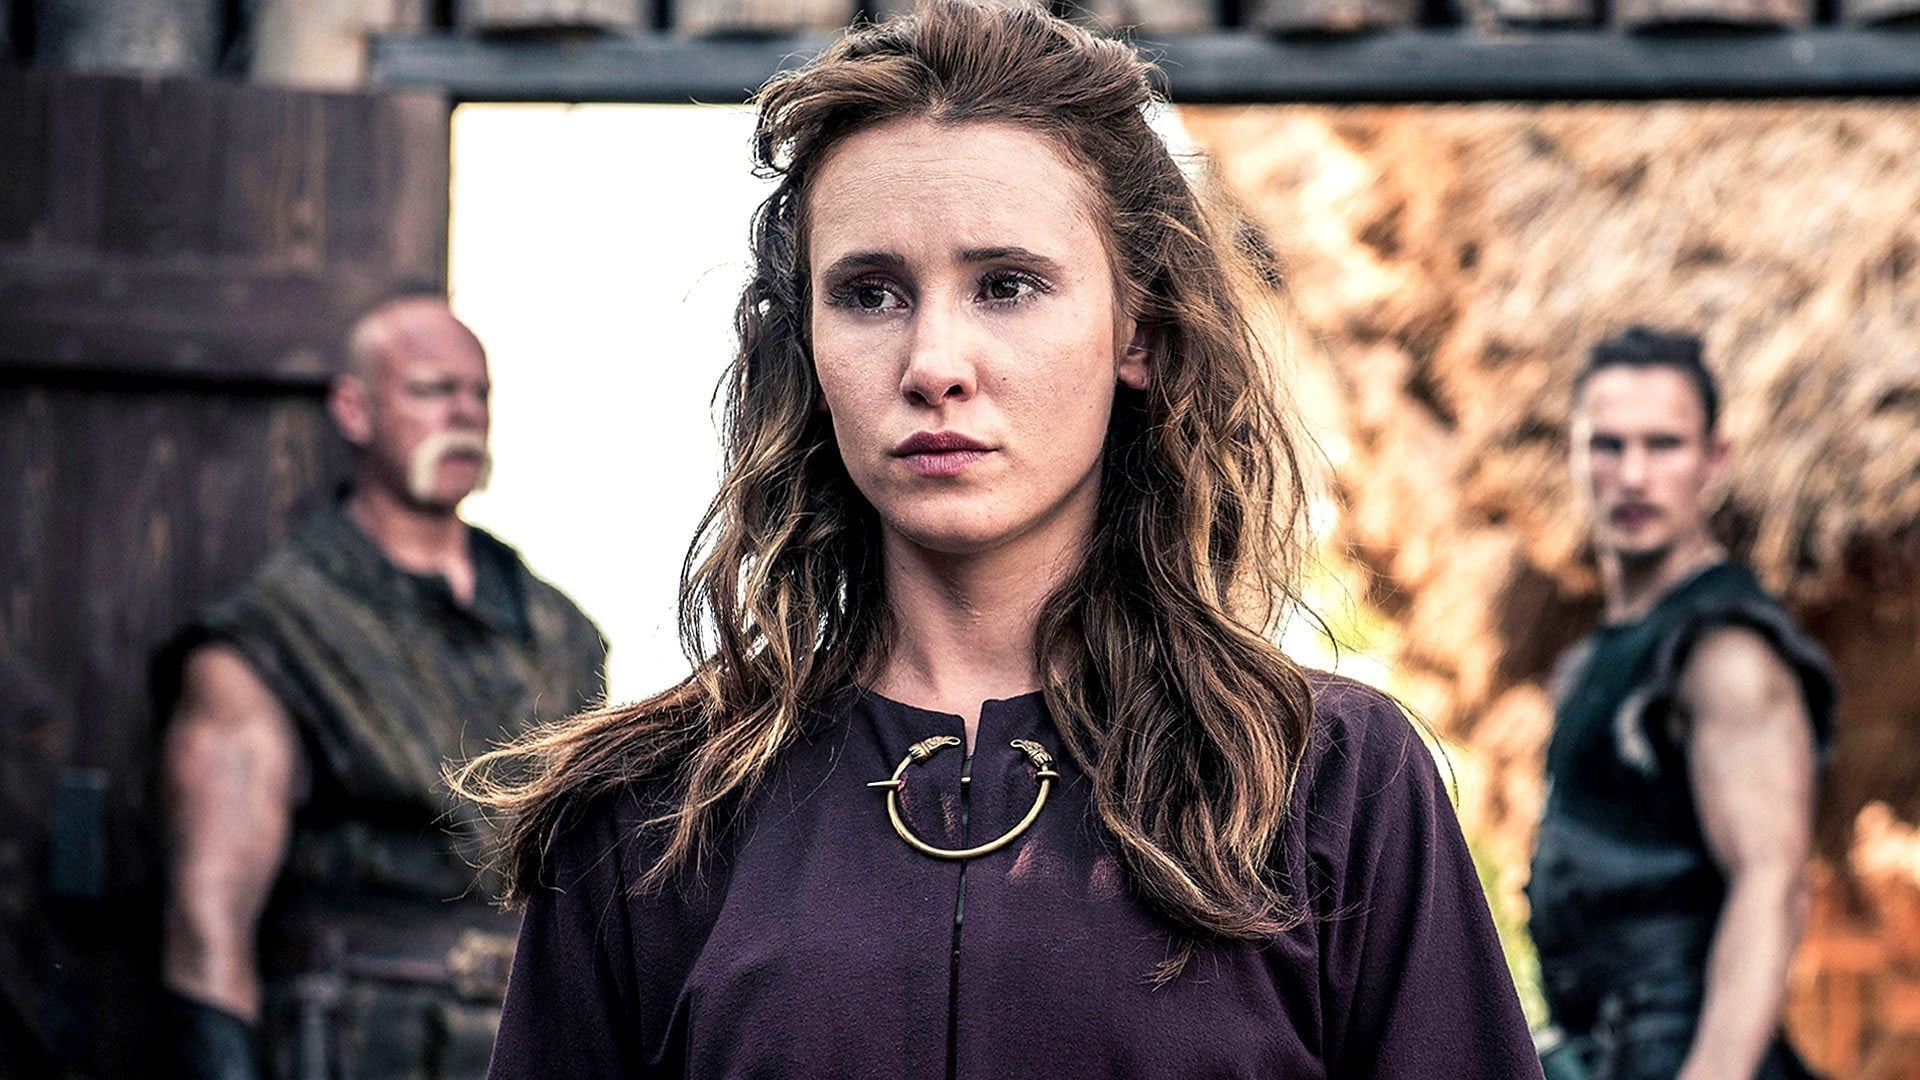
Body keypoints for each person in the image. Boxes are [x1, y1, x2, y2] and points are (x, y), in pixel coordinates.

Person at [458, 3, 1540, 1076]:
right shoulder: (652, 816)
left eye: (1007, 286)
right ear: (808, 344)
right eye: (870, 294)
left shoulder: (1325, 783)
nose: (935, 363)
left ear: (1139, 333)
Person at [157, 293, 607, 1080]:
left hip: (532, 1042)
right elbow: (208, 927)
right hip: (357, 1042)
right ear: (355, 410)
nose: (464, 414)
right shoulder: (275, 633)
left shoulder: (560, 631)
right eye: (432, 391)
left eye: (478, 393)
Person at [1528, 328, 1837, 1080]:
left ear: (1713, 459)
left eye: (1663, 445)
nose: (1633, 475)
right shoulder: (1598, 657)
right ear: (1573, 455)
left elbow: (1771, 884)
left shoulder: (1727, 655)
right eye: (1608, 445)